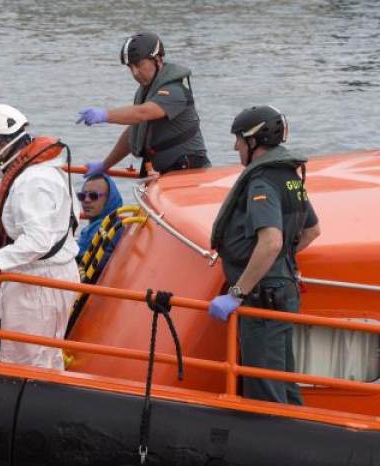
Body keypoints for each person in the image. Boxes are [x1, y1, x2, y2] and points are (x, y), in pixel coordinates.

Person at [208, 106, 320, 405]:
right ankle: (294, 428)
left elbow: (270, 242)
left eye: (239, 140)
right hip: (282, 289)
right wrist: (280, 260)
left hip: (263, 296)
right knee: (283, 380)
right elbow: (312, 231)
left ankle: (275, 432)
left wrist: (236, 293)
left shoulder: (262, 182)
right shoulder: (290, 177)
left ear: (254, 141)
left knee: (264, 389)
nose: (235, 147)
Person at [0, 104, 81, 370]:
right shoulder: (48, 171)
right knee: (47, 357)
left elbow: (38, 240)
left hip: (38, 282)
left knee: (23, 361)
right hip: (49, 275)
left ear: (0, 145)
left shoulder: (32, 182)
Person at [77, 31, 210, 177]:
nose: (135, 73)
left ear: (158, 59)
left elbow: (142, 113)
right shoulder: (146, 92)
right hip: (162, 172)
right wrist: (105, 165)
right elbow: (134, 135)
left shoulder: (175, 91)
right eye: (130, 67)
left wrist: (104, 115)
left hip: (190, 171)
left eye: (139, 64)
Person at [76, 172, 124, 260]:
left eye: (93, 196)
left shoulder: (107, 229)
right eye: (82, 196)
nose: (86, 200)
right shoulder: (109, 225)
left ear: (109, 198)